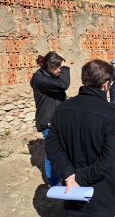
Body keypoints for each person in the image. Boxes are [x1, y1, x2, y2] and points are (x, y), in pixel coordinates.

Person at [45, 60, 115, 216]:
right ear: (106, 85)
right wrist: (77, 177)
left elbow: (52, 147)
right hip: (102, 194)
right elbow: (109, 159)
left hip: (72, 191)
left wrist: (69, 176)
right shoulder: (113, 114)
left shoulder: (61, 109)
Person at [30, 51, 70, 187]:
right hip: (48, 121)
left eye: (61, 67)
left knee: (62, 149)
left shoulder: (50, 76)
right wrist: (66, 68)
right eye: (58, 67)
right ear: (49, 67)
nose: (60, 70)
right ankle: (53, 183)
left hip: (58, 120)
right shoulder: (40, 79)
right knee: (51, 152)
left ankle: (62, 175)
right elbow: (64, 84)